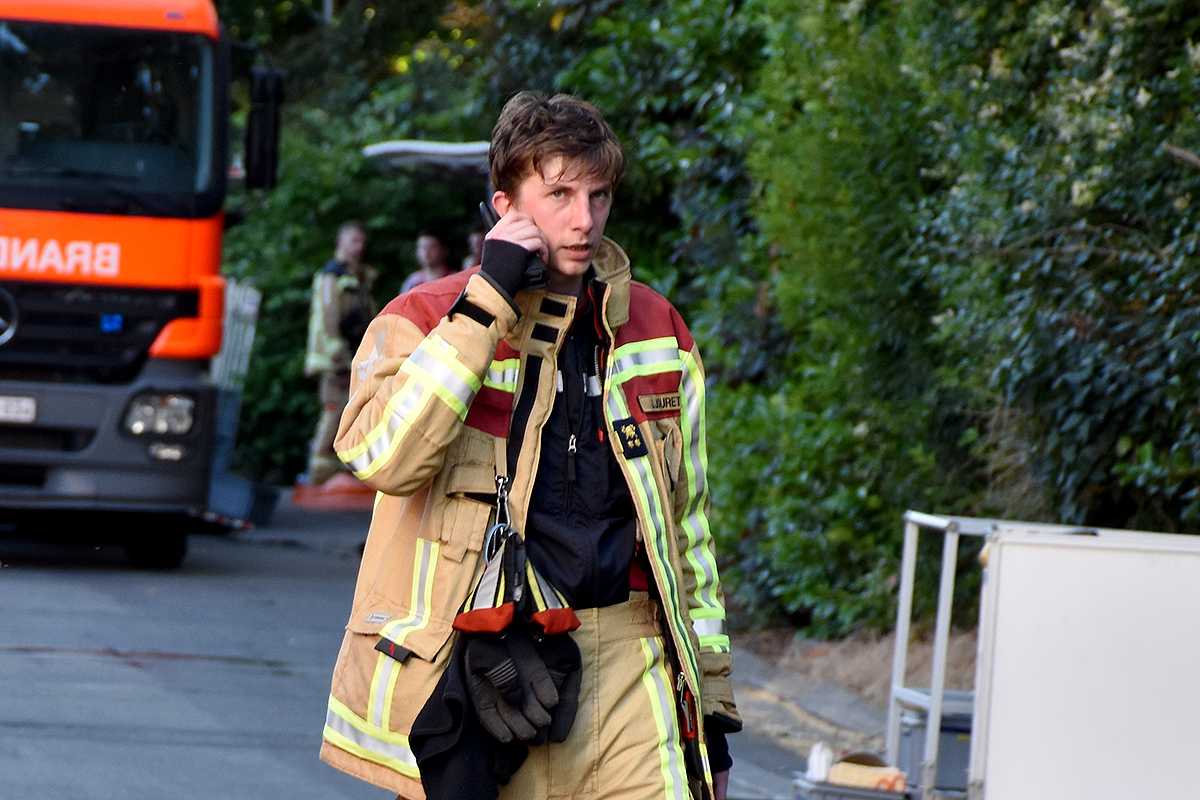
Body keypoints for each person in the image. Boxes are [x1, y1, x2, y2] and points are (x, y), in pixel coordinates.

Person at [319, 92, 740, 800]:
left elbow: (688, 529)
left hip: (633, 666)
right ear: (505, 204)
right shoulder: (424, 317)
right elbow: (382, 458)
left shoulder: (658, 328)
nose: (584, 220)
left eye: (598, 195)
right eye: (560, 194)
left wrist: (714, 715)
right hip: (489, 667)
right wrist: (488, 300)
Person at [302, 220, 377, 486]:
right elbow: (328, 318)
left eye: (361, 242)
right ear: (341, 242)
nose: (359, 247)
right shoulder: (332, 275)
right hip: (338, 359)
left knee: (350, 410)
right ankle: (321, 467)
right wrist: (339, 356)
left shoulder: (357, 275)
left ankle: (342, 466)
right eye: (354, 241)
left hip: (352, 355)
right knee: (334, 410)